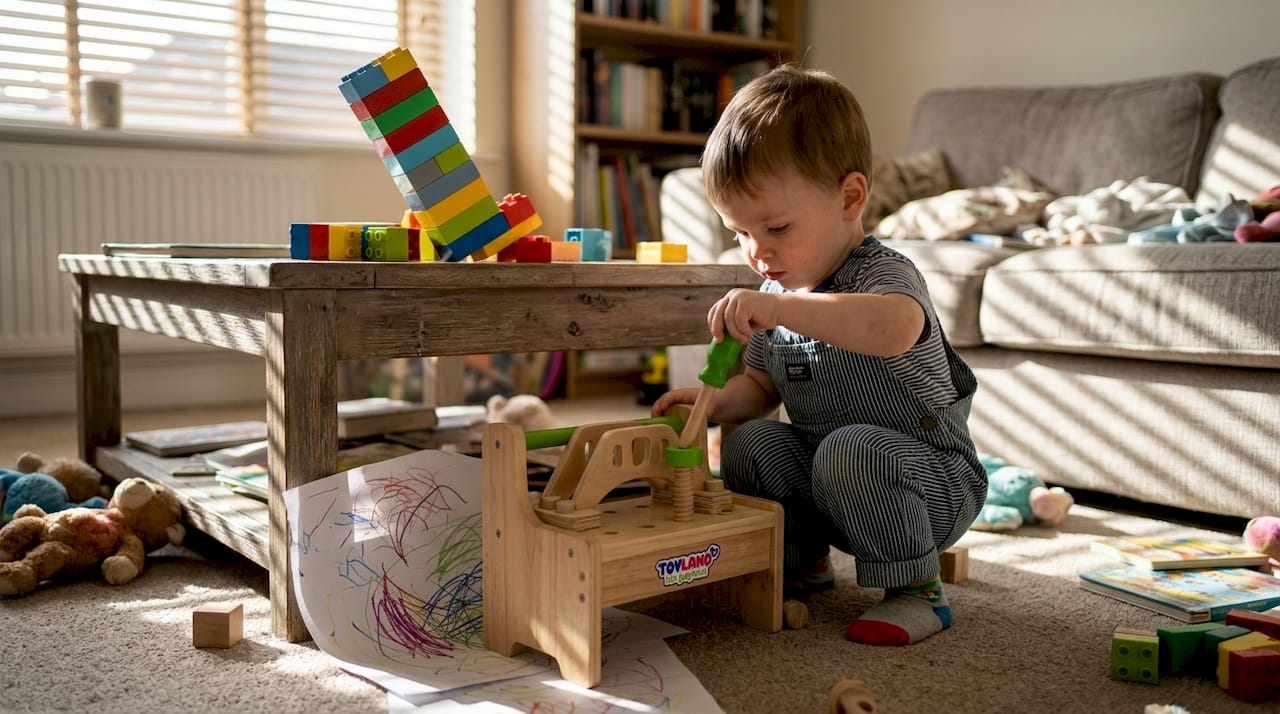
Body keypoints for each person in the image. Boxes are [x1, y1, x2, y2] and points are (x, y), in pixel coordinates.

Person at [651, 64, 987, 646]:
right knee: (751, 441)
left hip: (927, 484)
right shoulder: (776, 298)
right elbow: (760, 387)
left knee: (849, 446)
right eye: (739, 232)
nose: (757, 251)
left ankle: (916, 589)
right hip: (832, 484)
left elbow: (892, 329)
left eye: (776, 226)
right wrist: (713, 404)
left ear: (850, 198)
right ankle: (802, 562)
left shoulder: (885, 275)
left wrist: (782, 310)